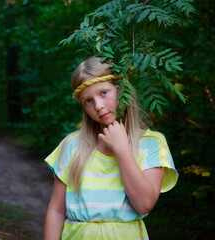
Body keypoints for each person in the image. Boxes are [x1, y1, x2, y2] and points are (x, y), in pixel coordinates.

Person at [43, 56, 178, 240]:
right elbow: (56, 211)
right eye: (88, 101)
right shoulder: (72, 146)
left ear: (121, 89)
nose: (98, 106)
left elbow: (144, 204)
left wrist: (122, 149)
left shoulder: (151, 143)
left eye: (104, 93)